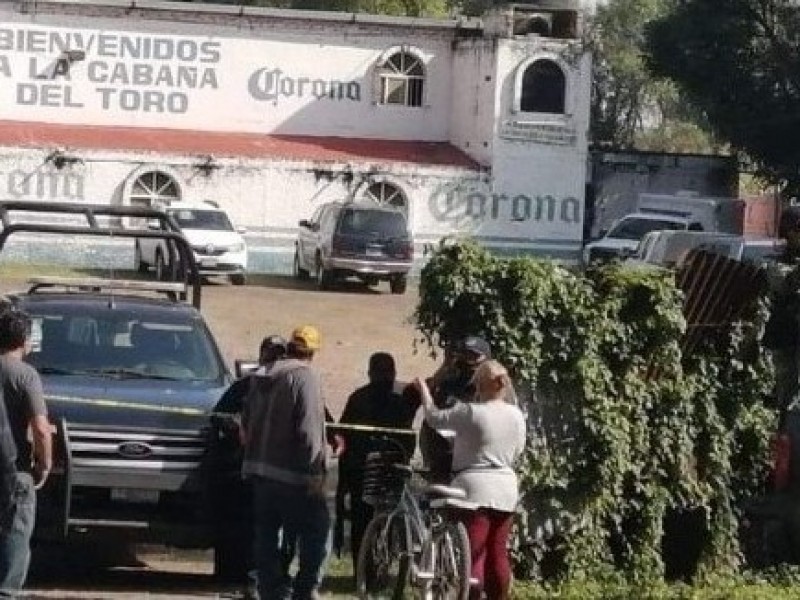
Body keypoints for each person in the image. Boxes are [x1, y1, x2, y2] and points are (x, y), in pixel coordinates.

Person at [414, 360, 526, 600]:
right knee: (498, 552)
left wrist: (424, 390)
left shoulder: (470, 412)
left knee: (474, 554)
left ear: (478, 385)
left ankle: (471, 595)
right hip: (506, 487)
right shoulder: (516, 415)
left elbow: (434, 418)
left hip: (473, 488)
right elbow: (518, 450)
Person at [242, 325, 330, 600]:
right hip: (292, 474)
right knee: (318, 528)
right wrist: (316, 471)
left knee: (266, 534)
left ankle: (271, 591)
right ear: (312, 352)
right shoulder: (306, 377)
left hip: (259, 469)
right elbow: (310, 428)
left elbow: (244, 423)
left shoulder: (262, 374)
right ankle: (305, 589)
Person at [209, 335, 288, 594]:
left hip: (279, 469)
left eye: (279, 355)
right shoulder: (245, 386)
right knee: (239, 524)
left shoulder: (294, 385)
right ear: (261, 356)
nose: (274, 360)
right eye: (270, 354)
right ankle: (234, 576)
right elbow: (217, 416)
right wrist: (236, 425)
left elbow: (322, 420)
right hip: (243, 468)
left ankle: (267, 578)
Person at [335, 352, 417, 577]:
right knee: (369, 520)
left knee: (379, 520)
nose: (384, 377)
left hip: (379, 471)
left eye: (387, 372)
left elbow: (407, 437)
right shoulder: (364, 399)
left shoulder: (394, 400)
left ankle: (371, 570)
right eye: (381, 372)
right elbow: (345, 432)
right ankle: (367, 571)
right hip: (368, 471)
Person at [0, 310, 53, 595]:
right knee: (15, 532)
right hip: (14, 468)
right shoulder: (25, 375)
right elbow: (42, 428)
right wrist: (44, 465)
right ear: (24, 340)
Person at [416, 336, 492, 480]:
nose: (470, 360)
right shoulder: (450, 381)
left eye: (474, 356)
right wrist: (446, 365)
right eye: (466, 355)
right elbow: (429, 397)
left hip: (472, 462)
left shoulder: (489, 388)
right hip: (442, 455)